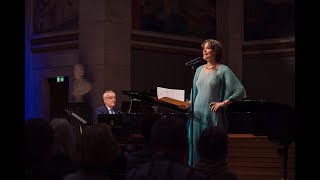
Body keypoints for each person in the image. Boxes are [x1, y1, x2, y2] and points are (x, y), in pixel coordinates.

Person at [187, 39, 246, 166]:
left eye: (207, 48)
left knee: (211, 147)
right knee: (195, 144)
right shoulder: (198, 70)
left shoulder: (223, 70)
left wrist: (223, 103)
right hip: (196, 115)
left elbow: (240, 90)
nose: (204, 50)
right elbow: (194, 92)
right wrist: (189, 103)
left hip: (211, 114)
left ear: (215, 52)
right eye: (203, 48)